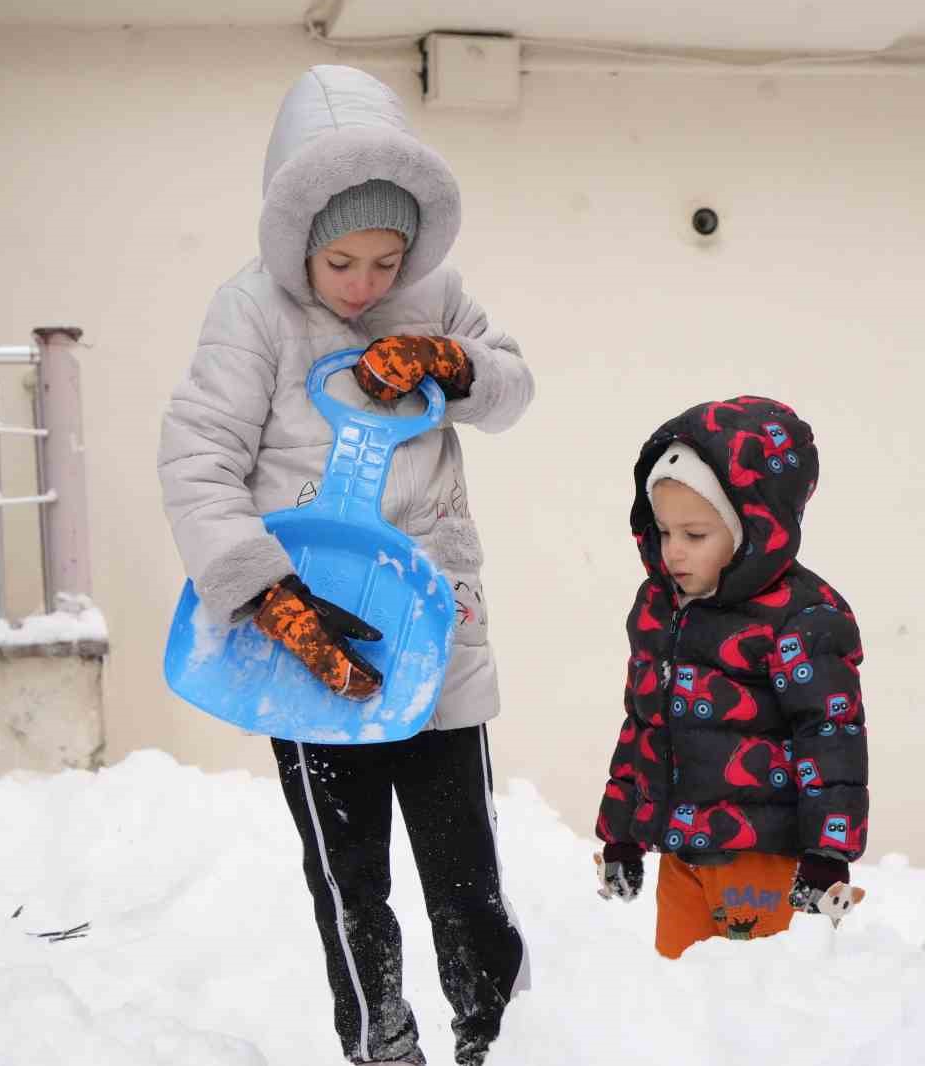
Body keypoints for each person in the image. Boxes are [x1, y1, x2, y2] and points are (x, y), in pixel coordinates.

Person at [157, 65, 531, 1065]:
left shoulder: (436, 295)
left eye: (387, 258)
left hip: (431, 625)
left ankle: (491, 1030)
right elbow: (197, 461)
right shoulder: (250, 315)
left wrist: (457, 365)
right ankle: (381, 1040)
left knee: (465, 867)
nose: (368, 285)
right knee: (348, 867)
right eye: (342, 264)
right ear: (298, 241)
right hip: (309, 630)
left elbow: (512, 386)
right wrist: (264, 594)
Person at [593, 396, 868, 959]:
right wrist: (621, 833)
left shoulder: (803, 617)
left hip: (766, 861)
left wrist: (827, 852)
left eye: (695, 535)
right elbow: (643, 723)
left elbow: (831, 736)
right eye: (664, 531)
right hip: (682, 860)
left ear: (753, 528)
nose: (673, 552)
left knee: (763, 1005)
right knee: (683, 999)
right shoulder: (658, 607)